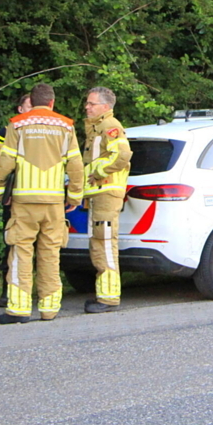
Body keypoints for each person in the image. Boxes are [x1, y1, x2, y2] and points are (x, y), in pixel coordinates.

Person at [0, 83, 83, 323]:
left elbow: (6, 162)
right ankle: (49, 309)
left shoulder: (17, 124)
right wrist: (74, 196)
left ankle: (19, 309)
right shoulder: (66, 126)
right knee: (50, 254)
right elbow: (75, 165)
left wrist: (0, 192)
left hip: (24, 202)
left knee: (21, 252)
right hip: (54, 203)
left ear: (31, 102)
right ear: (52, 102)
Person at [81, 87, 132, 313]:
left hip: (106, 191)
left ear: (105, 106)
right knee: (99, 241)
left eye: (92, 104)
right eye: (88, 103)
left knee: (105, 241)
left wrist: (100, 172)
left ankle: (109, 297)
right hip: (99, 192)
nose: (87, 107)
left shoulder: (110, 125)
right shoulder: (97, 126)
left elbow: (123, 155)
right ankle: (104, 294)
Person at [0, 92, 32, 308]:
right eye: (29, 106)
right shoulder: (7, 131)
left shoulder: (50, 131)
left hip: (41, 196)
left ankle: (37, 290)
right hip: (15, 196)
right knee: (12, 243)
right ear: (20, 109)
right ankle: (8, 291)